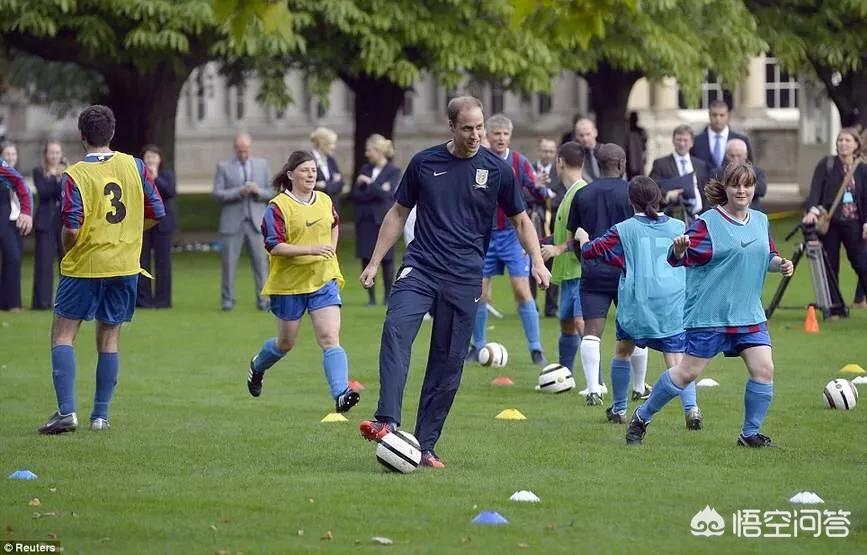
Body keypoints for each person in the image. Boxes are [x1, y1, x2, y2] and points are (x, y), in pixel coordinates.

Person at [357, 96, 550, 468]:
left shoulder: (497, 171)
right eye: (468, 128)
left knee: (447, 363)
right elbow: (398, 213)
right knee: (396, 328)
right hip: (422, 266)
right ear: (451, 127)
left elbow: (522, 220)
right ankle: (386, 420)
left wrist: (537, 261)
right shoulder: (424, 163)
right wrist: (376, 261)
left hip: (464, 277)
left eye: (480, 128)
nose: (476, 135)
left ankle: (425, 445)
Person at [625, 163, 793, 447]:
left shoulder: (761, 221)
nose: (742, 190)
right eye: (735, 185)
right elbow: (679, 258)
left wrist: (781, 264)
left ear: (753, 188)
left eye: (747, 185)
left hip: (748, 313)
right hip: (710, 315)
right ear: (725, 188)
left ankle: (749, 434)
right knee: (686, 373)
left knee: (764, 369)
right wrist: (678, 250)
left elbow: (767, 255)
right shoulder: (708, 223)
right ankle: (641, 417)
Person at [38, 105, 165, 434]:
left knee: (63, 335)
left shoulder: (76, 175)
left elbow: (71, 227)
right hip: (124, 265)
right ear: (112, 133)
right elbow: (157, 210)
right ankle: (100, 417)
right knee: (109, 339)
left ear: (82, 136)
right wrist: (128, 236)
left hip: (85, 265)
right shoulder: (135, 167)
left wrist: (70, 249)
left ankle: (67, 412)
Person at [577, 177, 702, 429]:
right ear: (659, 197)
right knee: (677, 360)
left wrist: (582, 238)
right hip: (671, 303)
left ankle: (620, 408)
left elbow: (592, 252)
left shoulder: (624, 229)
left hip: (638, 302)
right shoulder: (679, 226)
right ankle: (691, 409)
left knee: (623, 351)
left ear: (630, 200)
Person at [245, 151, 359, 413]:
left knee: (330, 337)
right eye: (305, 170)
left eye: (314, 170)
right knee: (285, 343)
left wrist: (329, 247)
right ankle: (257, 367)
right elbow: (274, 246)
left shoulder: (324, 199)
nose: (311, 174)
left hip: (322, 278)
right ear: (291, 175)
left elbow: (334, 224)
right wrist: (311, 250)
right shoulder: (277, 207)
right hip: (289, 285)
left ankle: (341, 393)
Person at [469, 114, 549, 366]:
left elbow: (537, 191)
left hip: (512, 236)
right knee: (480, 292)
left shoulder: (519, 161)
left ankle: (536, 348)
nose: (501, 138)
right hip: (484, 236)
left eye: (505, 134)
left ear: (510, 137)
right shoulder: (477, 161)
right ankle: (477, 345)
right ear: (487, 136)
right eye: (496, 134)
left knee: (521, 289)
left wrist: (540, 187)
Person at [566, 143, 637, 405]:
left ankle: (593, 388)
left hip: (593, 271)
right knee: (634, 328)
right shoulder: (632, 192)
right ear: (621, 164)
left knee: (592, 331)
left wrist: (585, 259)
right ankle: (639, 386)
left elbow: (574, 237)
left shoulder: (583, 194)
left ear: (598, 163)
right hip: (626, 271)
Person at [801, 127, 867, 309]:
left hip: (854, 222)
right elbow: (815, 191)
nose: (843, 144)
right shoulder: (827, 164)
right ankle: (835, 308)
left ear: (856, 145)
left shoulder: (862, 169)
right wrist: (812, 211)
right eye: (840, 140)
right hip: (830, 223)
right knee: (830, 266)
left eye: (847, 140)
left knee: (862, 262)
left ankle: (862, 299)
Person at [540, 142, 585, 375]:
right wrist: (539, 243)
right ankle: (565, 374)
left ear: (559, 163)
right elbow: (564, 232)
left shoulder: (582, 193)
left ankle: (595, 383)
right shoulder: (569, 193)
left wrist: (558, 249)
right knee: (566, 324)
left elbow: (586, 235)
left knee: (581, 325)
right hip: (567, 273)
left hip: (580, 273)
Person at [213, 132, 272, 311]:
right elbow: (217, 193)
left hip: (256, 222)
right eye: (240, 150)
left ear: (250, 148)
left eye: (246, 150)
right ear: (235, 149)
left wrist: (257, 191)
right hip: (232, 222)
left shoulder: (262, 165)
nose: (243, 154)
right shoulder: (223, 166)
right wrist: (239, 191)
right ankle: (227, 300)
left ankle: (264, 300)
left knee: (261, 263)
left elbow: (272, 191)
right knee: (229, 264)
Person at [351, 134, 401, 307]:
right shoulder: (365, 168)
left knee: (387, 260)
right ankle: (371, 298)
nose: (367, 154)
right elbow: (356, 194)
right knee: (366, 258)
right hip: (365, 220)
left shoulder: (393, 171)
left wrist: (370, 184)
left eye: (369, 150)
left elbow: (389, 195)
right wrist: (378, 189)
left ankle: (388, 297)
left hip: (382, 220)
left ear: (379, 151)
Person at [136, 145, 176, 308]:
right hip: (144, 223)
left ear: (160, 159)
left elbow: (170, 192)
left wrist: (156, 176)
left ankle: (162, 300)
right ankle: (143, 299)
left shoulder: (167, 174)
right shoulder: (139, 175)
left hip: (163, 224)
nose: (151, 160)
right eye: (147, 157)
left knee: (163, 262)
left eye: (154, 157)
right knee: (142, 261)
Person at [32, 141, 67, 309]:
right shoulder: (39, 172)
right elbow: (45, 193)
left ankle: (66, 300)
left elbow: (65, 196)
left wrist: (61, 178)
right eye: (51, 153)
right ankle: (42, 302)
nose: (54, 156)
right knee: (44, 264)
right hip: (45, 223)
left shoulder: (67, 172)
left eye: (57, 152)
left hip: (62, 224)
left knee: (65, 263)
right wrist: (56, 178)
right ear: (46, 154)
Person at [649, 125, 711, 220]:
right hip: (672, 216)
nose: (682, 144)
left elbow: (707, 191)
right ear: (673, 141)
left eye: (685, 140)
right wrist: (668, 196)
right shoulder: (660, 164)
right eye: (679, 140)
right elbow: (651, 188)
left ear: (692, 143)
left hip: (699, 217)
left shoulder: (701, 165)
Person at [1, 141, 32, 312]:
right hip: (4, 221)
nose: (11, 157)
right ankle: (11, 304)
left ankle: (12, 303)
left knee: (14, 261)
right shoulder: (3, 174)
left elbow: (25, 196)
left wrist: (26, 214)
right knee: (12, 258)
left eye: (13, 154)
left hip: (18, 221)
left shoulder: (19, 177)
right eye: (7, 154)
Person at [533, 137, 562, 317]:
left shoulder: (560, 173)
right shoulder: (530, 169)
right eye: (545, 151)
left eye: (551, 151)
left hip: (554, 224)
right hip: (534, 221)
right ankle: (531, 305)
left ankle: (551, 307)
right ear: (539, 151)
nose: (548, 155)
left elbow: (563, 195)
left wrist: (548, 195)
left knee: (553, 263)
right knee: (533, 260)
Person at [691, 99, 753, 171]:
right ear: (709, 115)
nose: (718, 119)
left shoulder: (741, 140)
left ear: (728, 116)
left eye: (722, 115)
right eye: (714, 115)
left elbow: (750, 168)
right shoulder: (697, 141)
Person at [711, 139, 767, 212]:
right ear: (726, 155)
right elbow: (713, 192)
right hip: (724, 212)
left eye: (739, 155)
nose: (735, 159)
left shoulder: (757, 172)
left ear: (745, 155)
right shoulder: (717, 173)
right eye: (732, 156)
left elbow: (761, 190)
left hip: (751, 210)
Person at [310, 127, 345, 214]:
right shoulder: (309, 159)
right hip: (315, 209)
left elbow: (340, 184)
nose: (334, 147)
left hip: (332, 210)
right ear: (322, 143)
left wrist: (325, 185)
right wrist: (333, 183)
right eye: (331, 144)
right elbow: (312, 185)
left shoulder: (331, 160)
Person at [574, 119, 601, 183]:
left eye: (588, 134)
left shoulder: (607, 151)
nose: (585, 139)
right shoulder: (575, 156)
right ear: (576, 136)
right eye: (581, 135)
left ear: (595, 133)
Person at [625, 112, 647, 179]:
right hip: (630, 158)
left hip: (638, 157)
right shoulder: (627, 131)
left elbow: (644, 144)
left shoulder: (640, 131)